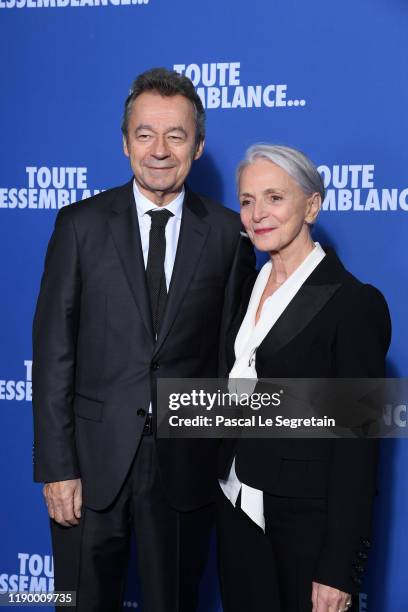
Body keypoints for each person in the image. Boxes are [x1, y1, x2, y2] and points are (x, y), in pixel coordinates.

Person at [32, 67, 254, 612]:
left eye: (176, 135)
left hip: (184, 473)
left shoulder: (229, 235)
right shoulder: (79, 226)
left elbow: (233, 358)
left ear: (198, 146)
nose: (159, 149)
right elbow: (53, 354)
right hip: (90, 467)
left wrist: (221, 462)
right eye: (145, 134)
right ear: (125, 141)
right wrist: (58, 467)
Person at [217, 144, 391, 612]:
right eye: (248, 200)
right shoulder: (245, 285)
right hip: (237, 508)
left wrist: (337, 568)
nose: (257, 214)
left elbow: (359, 448)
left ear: (312, 205)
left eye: (275, 197)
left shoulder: (353, 304)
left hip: (307, 528)